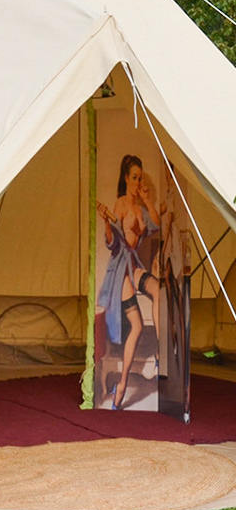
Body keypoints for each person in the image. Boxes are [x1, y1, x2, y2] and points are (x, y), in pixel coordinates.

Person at [96, 154, 161, 409]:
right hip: (122, 269)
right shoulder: (121, 204)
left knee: (158, 291)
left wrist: (147, 200)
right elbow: (112, 244)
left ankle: (160, 353)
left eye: (140, 178)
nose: (137, 182)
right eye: (134, 177)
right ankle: (122, 385)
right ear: (125, 178)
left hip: (135, 265)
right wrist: (107, 224)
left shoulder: (141, 208)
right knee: (136, 327)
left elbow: (156, 226)